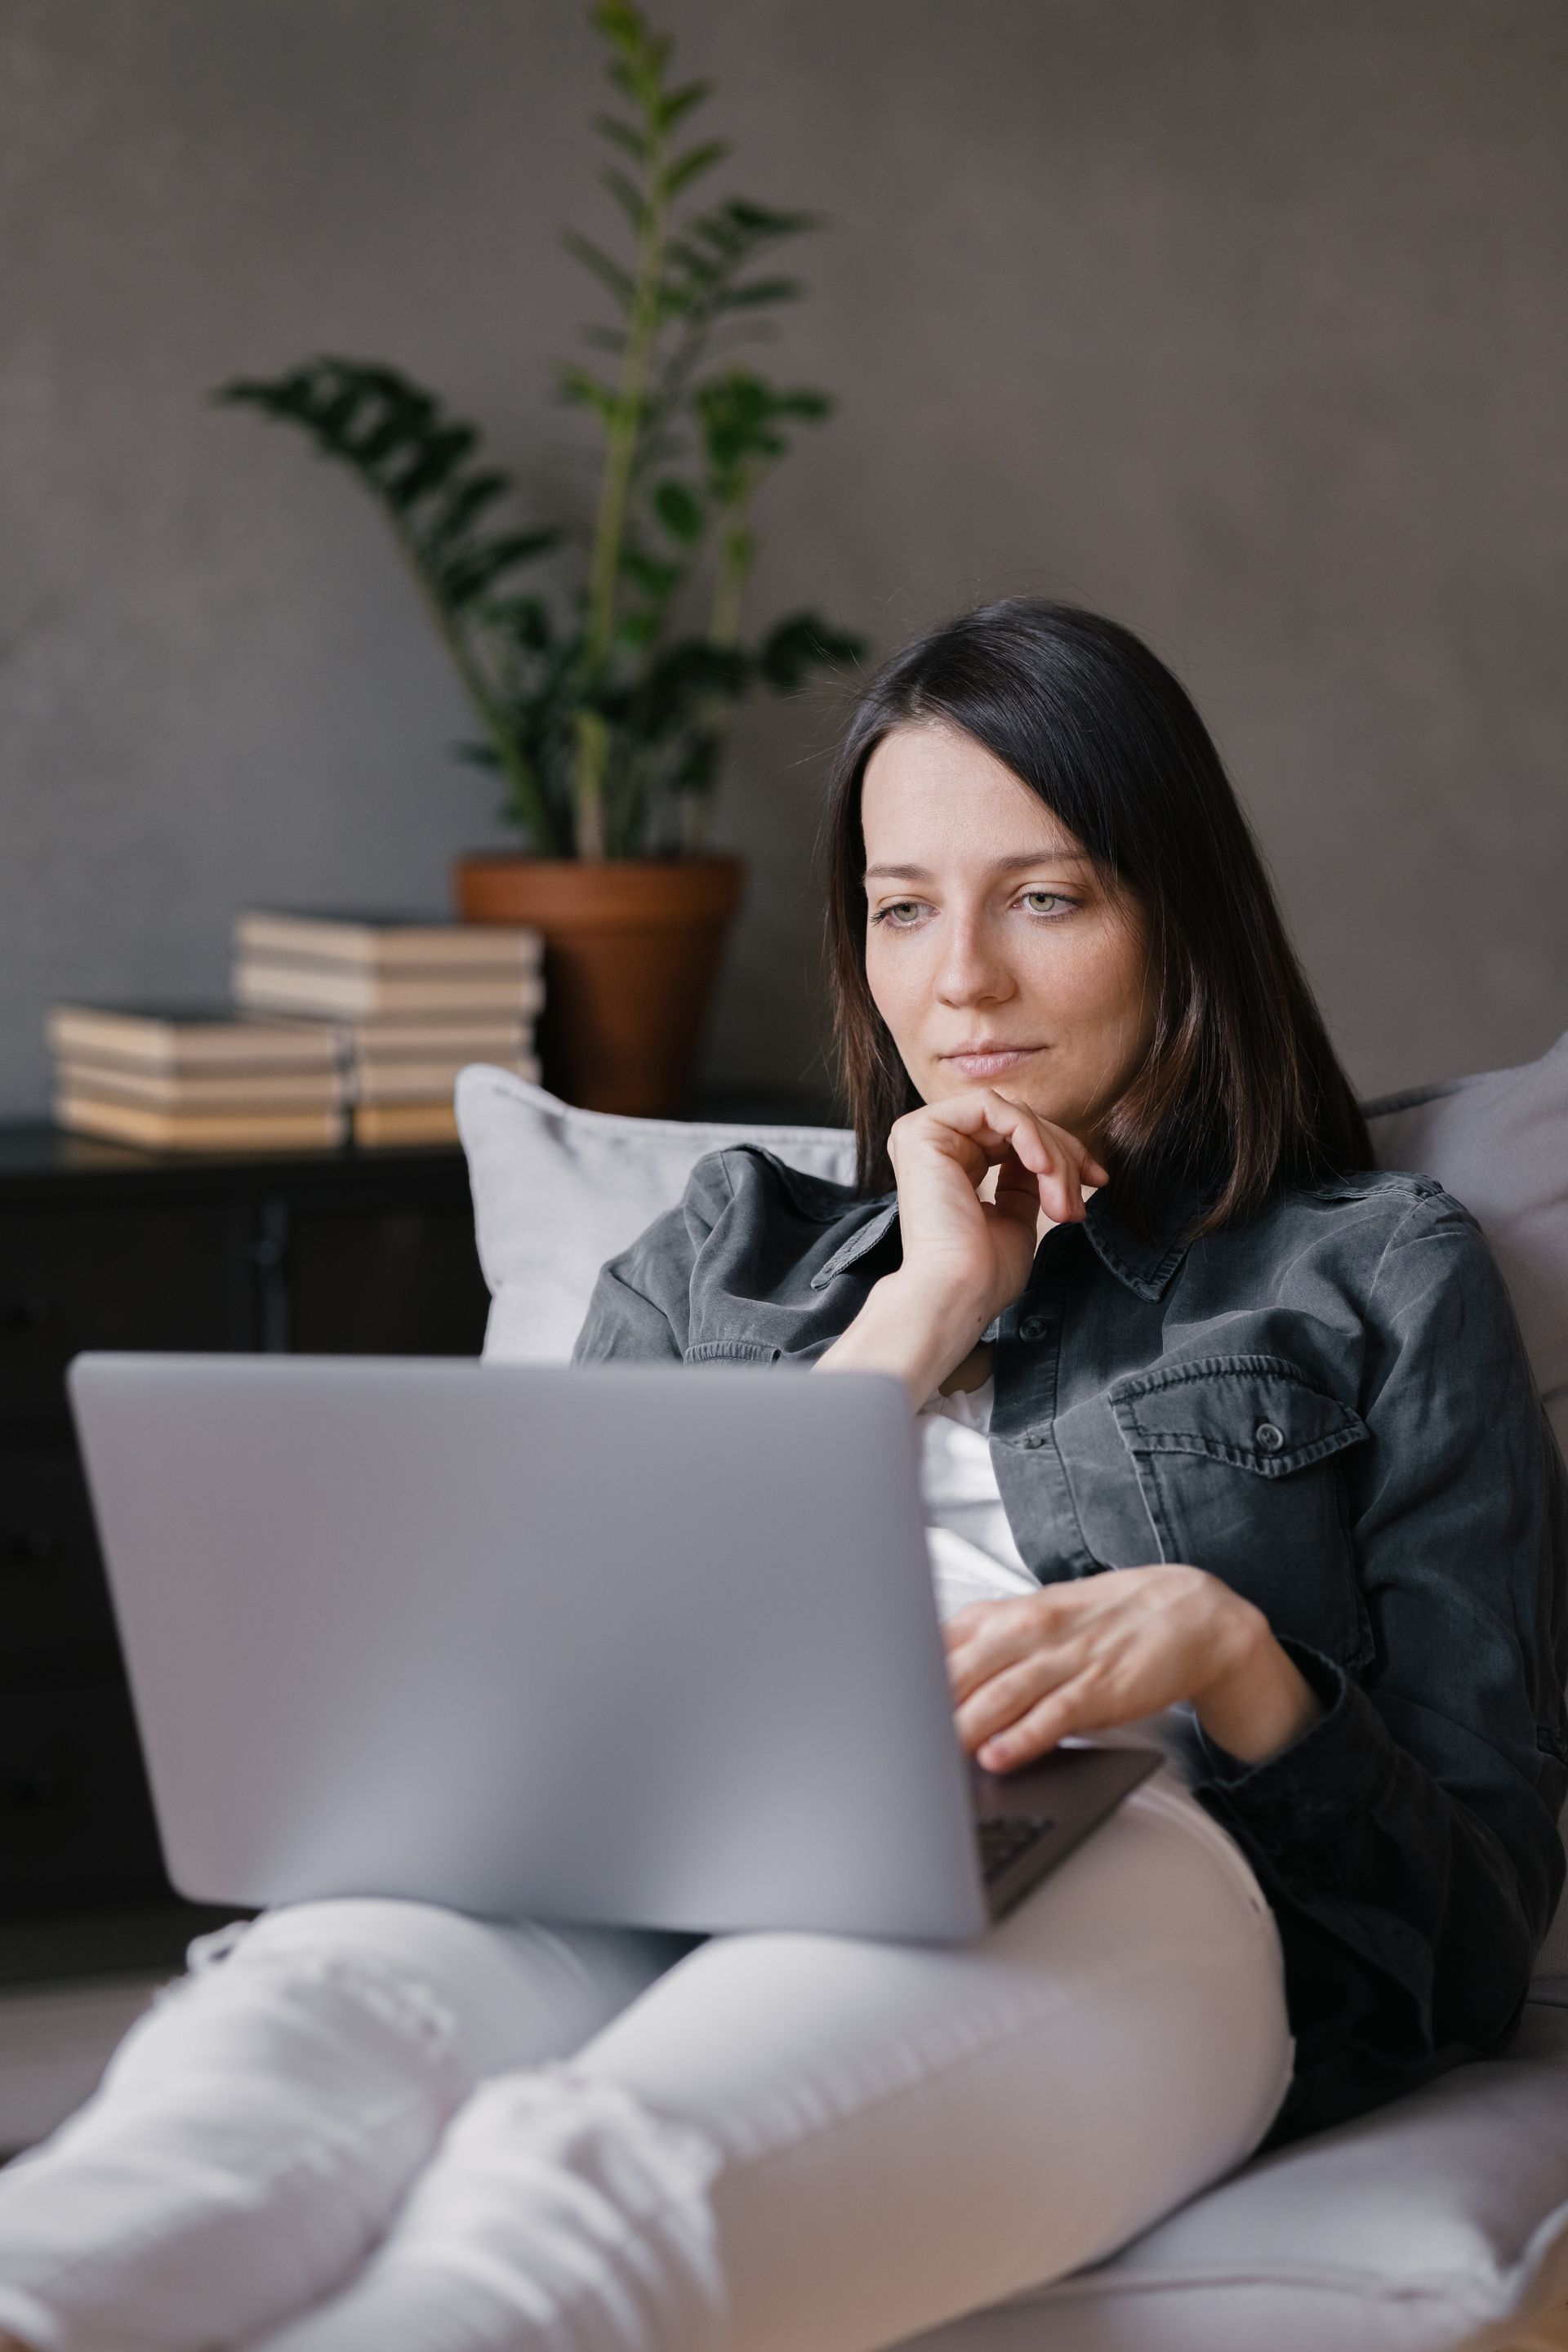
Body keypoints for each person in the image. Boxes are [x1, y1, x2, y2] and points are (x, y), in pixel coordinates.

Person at [1, 599, 1563, 2352]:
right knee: (239, 2087)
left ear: (1177, 916)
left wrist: (1233, 1655)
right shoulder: (723, 1254)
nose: (958, 980)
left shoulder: (1369, 1269)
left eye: (1044, 897)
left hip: (1109, 1843)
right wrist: (921, 1305)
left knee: (575, 2195)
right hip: (626, 1826)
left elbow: (1482, 1920)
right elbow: (555, 1656)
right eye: (904, 909)